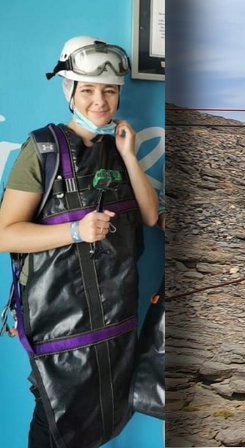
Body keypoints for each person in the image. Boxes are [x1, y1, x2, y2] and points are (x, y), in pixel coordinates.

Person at [0, 36, 159, 447]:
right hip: (61, 328)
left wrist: (128, 155)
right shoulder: (42, 149)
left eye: (109, 90)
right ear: (69, 91)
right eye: (87, 89)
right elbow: (5, 234)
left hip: (115, 323)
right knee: (55, 422)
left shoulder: (115, 148)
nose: (99, 101)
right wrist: (75, 231)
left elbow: (150, 216)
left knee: (100, 423)